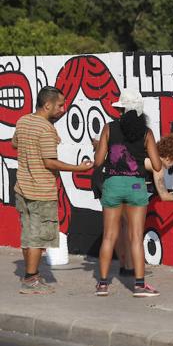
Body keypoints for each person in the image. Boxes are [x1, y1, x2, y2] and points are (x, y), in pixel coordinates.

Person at [12, 86, 93, 294]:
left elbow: (15, 145)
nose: (63, 109)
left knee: (28, 233)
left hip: (22, 187)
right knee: (39, 238)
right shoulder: (46, 129)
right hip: (41, 191)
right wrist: (79, 168)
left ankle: (31, 275)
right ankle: (31, 279)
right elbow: (50, 163)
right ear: (47, 105)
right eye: (60, 105)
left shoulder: (23, 121)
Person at [93, 88, 162, 297]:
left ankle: (103, 284)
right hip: (136, 187)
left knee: (109, 236)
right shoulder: (146, 133)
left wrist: (99, 148)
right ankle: (139, 285)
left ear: (121, 109)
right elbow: (157, 166)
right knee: (135, 237)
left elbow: (98, 162)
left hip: (112, 185)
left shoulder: (108, 128)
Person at [114, 134, 173, 276]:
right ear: (170, 157)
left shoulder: (145, 154)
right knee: (135, 233)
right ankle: (135, 269)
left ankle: (126, 267)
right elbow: (164, 195)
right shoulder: (156, 165)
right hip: (130, 196)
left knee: (125, 231)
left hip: (115, 189)